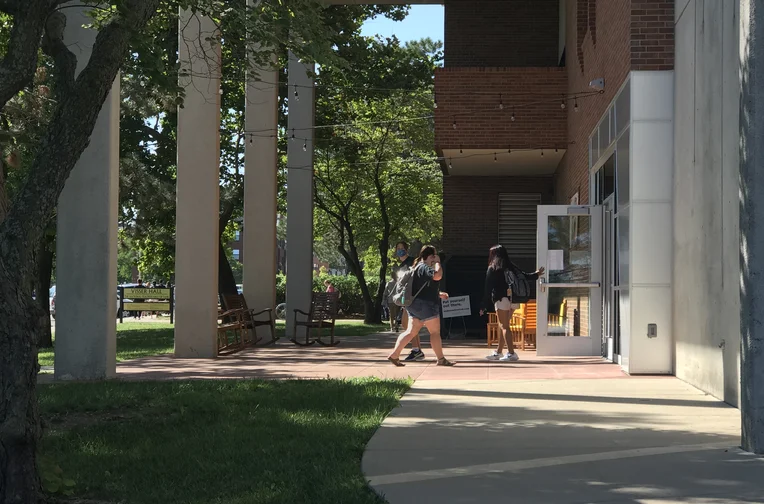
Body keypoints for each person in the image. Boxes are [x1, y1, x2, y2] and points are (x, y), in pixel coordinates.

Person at [387, 245, 455, 367]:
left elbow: (421, 289)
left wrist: (439, 294)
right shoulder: (424, 267)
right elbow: (437, 276)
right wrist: (438, 263)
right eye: (434, 256)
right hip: (427, 307)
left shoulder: (416, 267)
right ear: (431, 256)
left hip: (413, 306)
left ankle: (395, 355)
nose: (435, 258)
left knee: (410, 332)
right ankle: (441, 359)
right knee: (434, 332)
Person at [481, 245, 544, 362]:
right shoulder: (511, 266)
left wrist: (483, 305)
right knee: (504, 326)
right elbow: (524, 276)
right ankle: (499, 352)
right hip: (514, 300)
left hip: (501, 300)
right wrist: (536, 274)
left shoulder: (493, 268)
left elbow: (487, 288)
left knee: (504, 327)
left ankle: (511, 353)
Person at [392, 241, 425, 361]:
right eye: (398, 248)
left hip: (412, 297)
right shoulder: (399, 266)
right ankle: (417, 350)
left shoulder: (412, 262)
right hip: (406, 298)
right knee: (409, 325)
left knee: (408, 325)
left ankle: (416, 350)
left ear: (406, 249)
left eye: (402, 248)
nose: (400, 250)